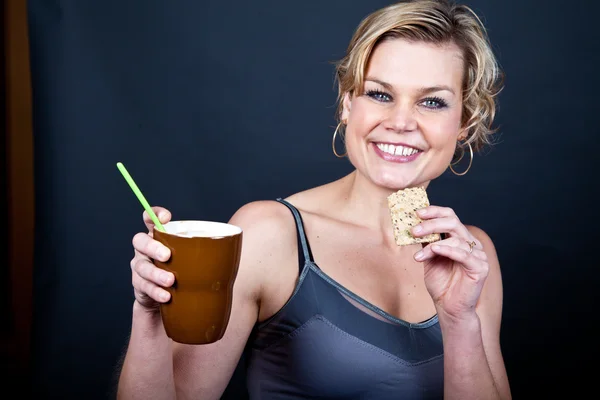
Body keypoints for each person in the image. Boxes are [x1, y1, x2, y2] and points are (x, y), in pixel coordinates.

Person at [117, 0, 511, 398]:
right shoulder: (270, 233)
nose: (401, 122)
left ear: (465, 122)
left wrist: (460, 321)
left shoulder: (472, 256)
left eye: (432, 101)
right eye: (379, 94)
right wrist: (150, 316)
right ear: (346, 103)